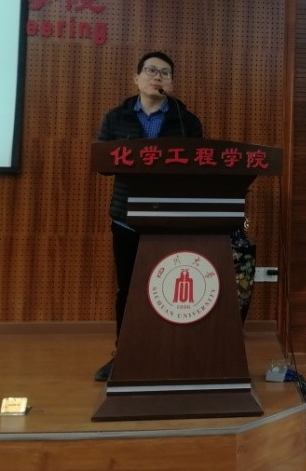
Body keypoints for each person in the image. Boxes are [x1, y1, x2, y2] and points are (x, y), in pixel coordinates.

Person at [94, 50, 203, 381]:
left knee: (169, 286)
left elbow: (198, 166)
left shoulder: (186, 121)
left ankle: (171, 350)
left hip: (170, 218)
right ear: (137, 78)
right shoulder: (116, 118)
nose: (158, 77)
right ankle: (125, 352)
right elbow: (102, 163)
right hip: (126, 217)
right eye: (151, 71)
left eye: (165, 73)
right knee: (128, 288)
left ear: (171, 82)